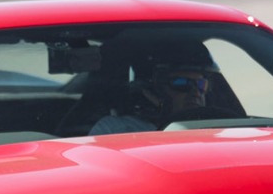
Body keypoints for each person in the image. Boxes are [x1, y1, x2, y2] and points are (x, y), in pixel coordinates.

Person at [89, 52, 217, 135]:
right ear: (153, 90)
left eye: (201, 84)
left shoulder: (219, 129)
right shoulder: (116, 131)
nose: (195, 92)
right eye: (181, 83)